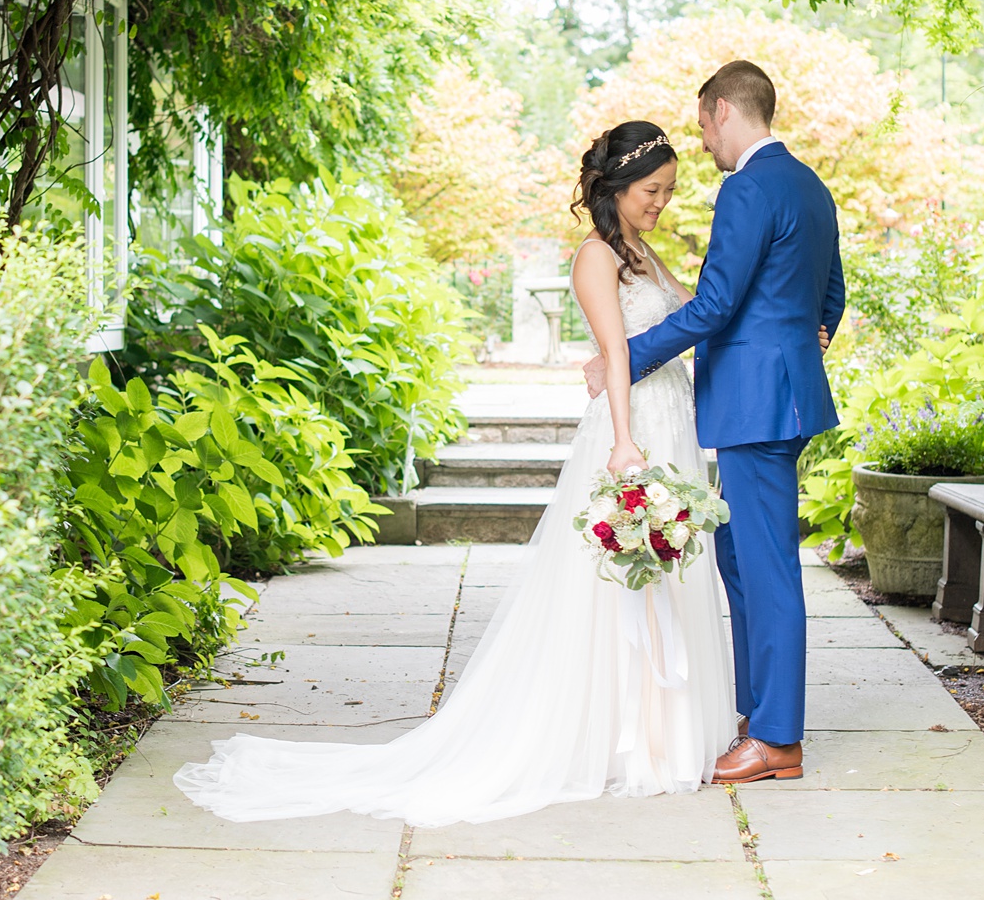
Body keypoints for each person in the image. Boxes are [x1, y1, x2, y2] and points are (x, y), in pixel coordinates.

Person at [174, 120, 737, 826]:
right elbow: (616, 354)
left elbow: (693, 314)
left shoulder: (643, 253)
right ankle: (628, 740)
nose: (662, 202)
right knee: (620, 585)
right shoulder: (595, 258)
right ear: (618, 188)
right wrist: (625, 441)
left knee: (666, 579)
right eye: (653, 190)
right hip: (634, 428)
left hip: (671, 416)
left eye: (669, 191)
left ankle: (663, 733)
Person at [585, 60, 844, 784]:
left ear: (724, 109)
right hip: (778, 395)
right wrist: (805, 339)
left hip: (756, 403)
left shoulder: (747, 187)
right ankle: (756, 714)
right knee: (737, 559)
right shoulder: (810, 185)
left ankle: (778, 739)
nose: (702, 143)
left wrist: (625, 359)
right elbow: (833, 293)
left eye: (702, 125)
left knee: (765, 569)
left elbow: (717, 304)